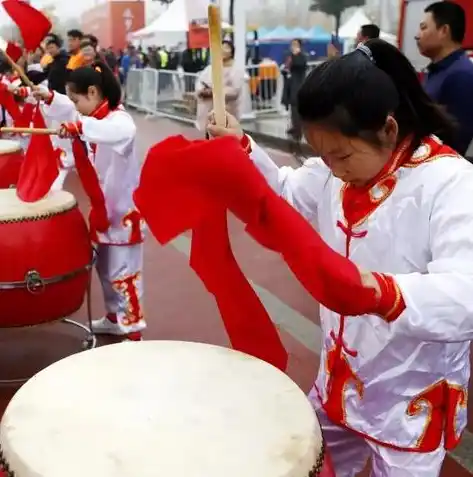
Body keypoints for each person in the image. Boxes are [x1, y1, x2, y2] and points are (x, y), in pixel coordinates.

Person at [207, 39, 473, 476]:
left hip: (409, 399)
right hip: (340, 385)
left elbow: (465, 291)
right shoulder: (336, 174)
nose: (332, 168)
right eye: (322, 155)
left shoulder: (449, 183)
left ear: (388, 129)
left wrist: (379, 291)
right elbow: (285, 197)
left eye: (342, 154)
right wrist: (242, 148)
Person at [33, 62, 146, 341]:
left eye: (77, 100)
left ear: (93, 92)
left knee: (124, 275)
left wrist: (78, 126)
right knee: (106, 272)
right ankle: (112, 317)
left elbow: (116, 132)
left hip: (123, 215)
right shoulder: (92, 117)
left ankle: (133, 331)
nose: (75, 107)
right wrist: (49, 98)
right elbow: (72, 113)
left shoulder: (119, 120)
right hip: (103, 212)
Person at [416, 1, 473, 156]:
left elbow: (454, 142)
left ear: (444, 30)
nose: (417, 35)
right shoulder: (435, 71)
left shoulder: (462, 76)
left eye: (423, 28)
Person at [195, 40, 244, 133]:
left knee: (224, 136)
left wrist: (215, 92)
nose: (223, 50)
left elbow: (235, 90)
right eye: (221, 47)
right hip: (208, 108)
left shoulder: (236, 69)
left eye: (226, 47)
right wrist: (202, 90)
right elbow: (200, 81)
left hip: (227, 110)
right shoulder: (210, 68)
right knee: (208, 134)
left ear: (231, 52)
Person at [285, 39, 307, 141]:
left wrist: (295, 55)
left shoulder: (301, 56)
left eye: (295, 44)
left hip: (298, 84)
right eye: (292, 44)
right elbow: (287, 68)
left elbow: (300, 65)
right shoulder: (290, 56)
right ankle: (294, 126)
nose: (293, 46)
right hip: (291, 83)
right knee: (292, 108)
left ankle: (298, 130)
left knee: (296, 108)